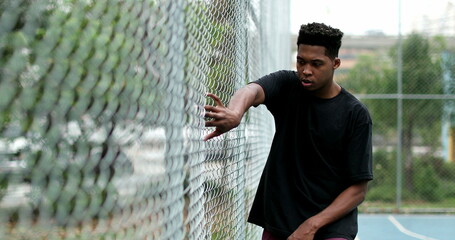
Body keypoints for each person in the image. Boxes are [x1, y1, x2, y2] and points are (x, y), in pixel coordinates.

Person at [204, 22, 373, 240]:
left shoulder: (355, 114)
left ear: (336, 63)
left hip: (331, 228)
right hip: (282, 222)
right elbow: (252, 90)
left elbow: (358, 190)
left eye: (316, 64)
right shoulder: (287, 85)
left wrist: (311, 226)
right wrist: (235, 113)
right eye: (301, 62)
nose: (306, 71)